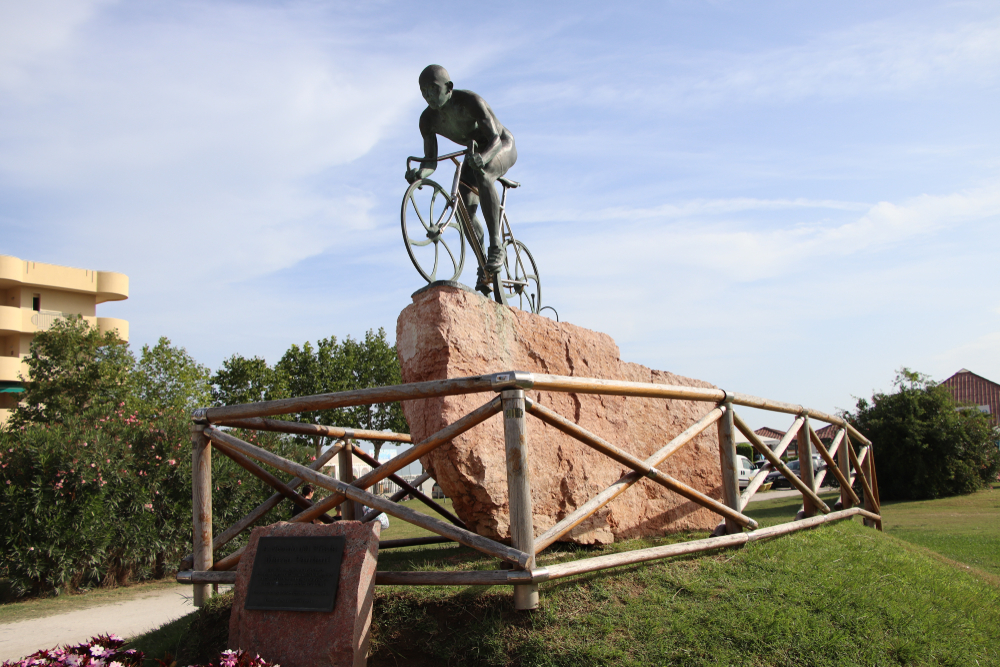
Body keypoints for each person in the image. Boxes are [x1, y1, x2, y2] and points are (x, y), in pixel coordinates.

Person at [405, 64, 517, 294]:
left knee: (483, 174)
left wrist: (484, 157)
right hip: (474, 154)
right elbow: (430, 162)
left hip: (500, 146)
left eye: (433, 90)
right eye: (424, 92)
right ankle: (483, 265)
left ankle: (496, 247)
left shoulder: (470, 102)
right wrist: (419, 174)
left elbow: (495, 139)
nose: (429, 96)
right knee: (464, 208)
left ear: (449, 88)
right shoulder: (427, 120)